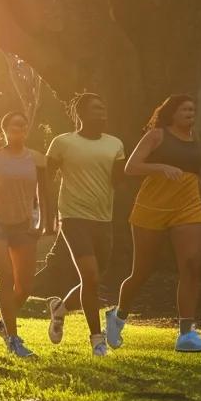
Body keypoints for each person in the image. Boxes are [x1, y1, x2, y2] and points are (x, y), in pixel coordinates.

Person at [109, 95, 201, 352]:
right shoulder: (157, 135)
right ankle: (118, 316)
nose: (190, 112)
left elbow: (194, 180)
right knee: (142, 271)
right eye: (185, 108)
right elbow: (131, 167)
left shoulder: (194, 140)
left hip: (188, 207)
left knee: (191, 264)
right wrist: (161, 167)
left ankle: (186, 335)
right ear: (172, 113)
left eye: (193, 108)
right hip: (152, 206)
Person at [44, 93, 126, 356]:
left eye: (104, 109)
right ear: (80, 114)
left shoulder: (115, 144)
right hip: (73, 217)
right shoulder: (62, 143)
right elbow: (45, 179)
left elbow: (119, 181)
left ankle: (60, 308)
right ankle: (96, 339)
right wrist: (47, 217)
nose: (102, 113)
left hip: (104, 219)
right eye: (95, 109)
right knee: (90, 276)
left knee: (93, 278)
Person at [0, 111, 51, 358]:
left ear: (27, 129)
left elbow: (44, 193)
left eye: (23, 124)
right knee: (6, 278)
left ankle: (2, 323)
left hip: (23, 223)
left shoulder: (38, 159)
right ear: (5, 129)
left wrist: (44, 222)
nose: (19, 128)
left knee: (25, 285)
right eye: (13, 125)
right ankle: (13, 339)